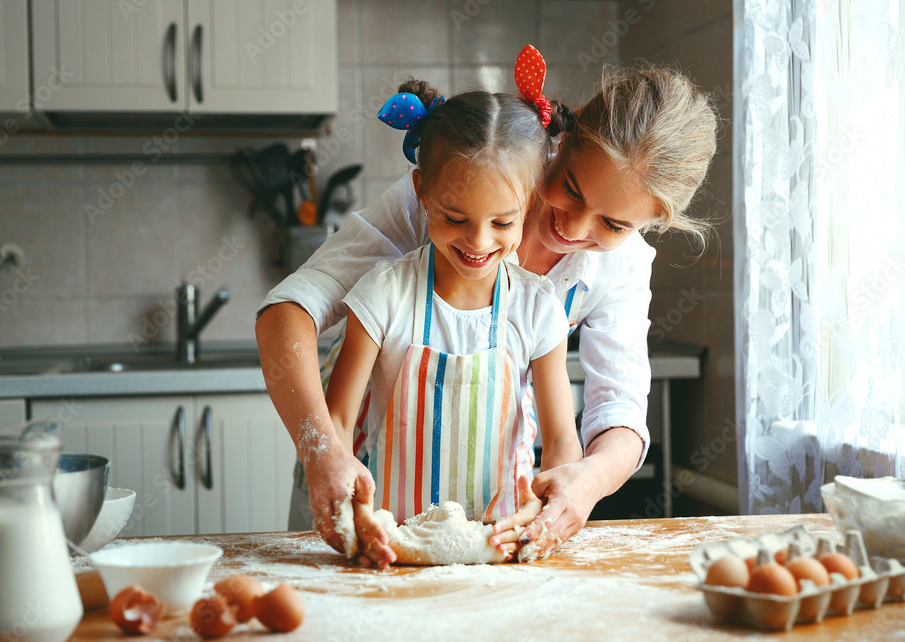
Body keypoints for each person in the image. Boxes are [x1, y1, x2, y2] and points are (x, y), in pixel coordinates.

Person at [257, 52, 718, 568]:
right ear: (562, 143)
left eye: (613, 225)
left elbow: (618, 407)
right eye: (570, 187)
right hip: (359, 494)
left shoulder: (622, 267)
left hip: (493, 522)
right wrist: (324, 451)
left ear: (649, 222)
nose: (574, 227)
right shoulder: (450, 196)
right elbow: (290, 311)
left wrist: (584, 483)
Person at [325, 81, 582, 546]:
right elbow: (338, 423)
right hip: (393, 543)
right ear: (422, 191)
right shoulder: (384, 295)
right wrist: (353, 511)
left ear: (531, 202)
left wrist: (551, 507)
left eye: (503, 222)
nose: (479, 242)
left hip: (501, 543)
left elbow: (562, 439)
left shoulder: (538, 306)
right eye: (456, 218)